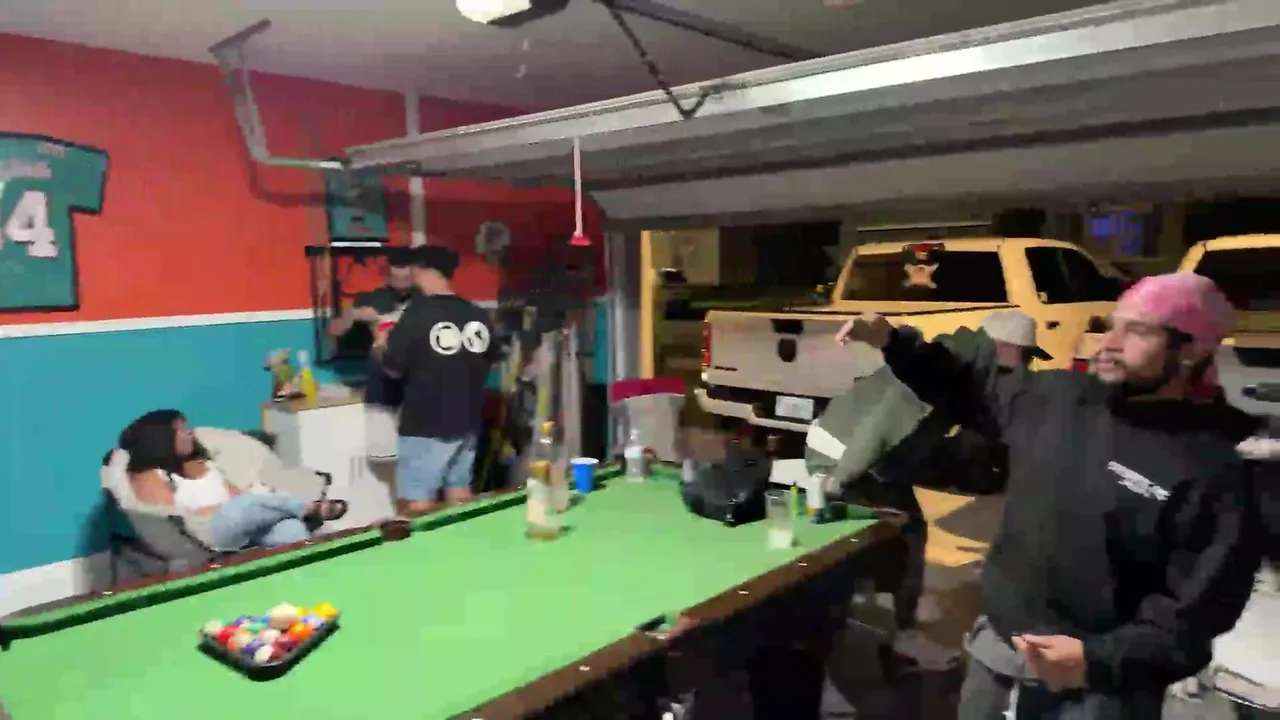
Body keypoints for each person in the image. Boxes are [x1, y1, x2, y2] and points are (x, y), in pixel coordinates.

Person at [835, 272, 1263, 719]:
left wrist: (1098, 661)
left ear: (1192, 349)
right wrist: (893, 341)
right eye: (1110, 326)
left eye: (1137, 331)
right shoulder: (1056, 397)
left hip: (1099, 689)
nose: (1108, 343)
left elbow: (1197, 611)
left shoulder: (1212, 467)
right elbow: (964, 384)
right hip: (997, 656)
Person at [808, 310, 1048, 670]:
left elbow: (984, 427)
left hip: (871, 463)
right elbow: (883, 419)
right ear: (1004, 347)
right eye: (1025, 356)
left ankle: (882, 634)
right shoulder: (951, 363)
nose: (1026, 367)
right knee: (888, 540)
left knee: (902, 537)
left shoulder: (972, 378)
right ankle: (867, 638)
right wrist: (837, 480)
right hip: (844, 455)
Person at [121, 410, 348, 551]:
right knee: (248, 504)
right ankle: (310, 508)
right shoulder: (150, 474)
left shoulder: (203, 462)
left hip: (237, 523)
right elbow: (172, 518)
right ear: (162, 440)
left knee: (291, 529)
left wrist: (262, 500)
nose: (190, 433)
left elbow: (236, 495)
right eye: (182, 431)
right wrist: (224, 508)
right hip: (206, 529)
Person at [381, 245, 497, 515]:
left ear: (422, 271)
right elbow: (491, 359)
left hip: (426, 423)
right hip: (467, 420)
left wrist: (381, 344)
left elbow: (393, 368)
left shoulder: (416, 314)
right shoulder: (477, 314)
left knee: (417, 505)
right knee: (460, 494)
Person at [328, 246, 418, 463]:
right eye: (396, 279)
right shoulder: (373, 299)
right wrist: (351, 315)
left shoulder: (427, 300)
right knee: (384, 455)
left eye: (406, 279)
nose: (401, 285)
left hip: (418, 384)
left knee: (417, 455)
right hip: (382, 384)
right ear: (388, 276)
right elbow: (334, 331)